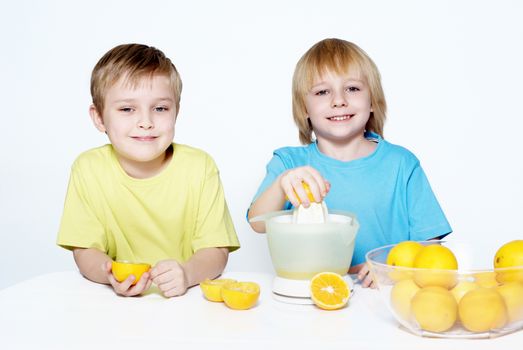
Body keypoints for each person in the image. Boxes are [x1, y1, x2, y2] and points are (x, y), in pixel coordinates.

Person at [247, 38, 451, 287]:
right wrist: (282, 184)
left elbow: (431, 246)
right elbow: (257, 223)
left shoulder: (402, 164)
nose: (338, 100)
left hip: (386, 298)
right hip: (316, 299)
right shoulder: (290, 163)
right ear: (304, 109)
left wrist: (394, 271)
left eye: (352, 89)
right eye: (322, 92)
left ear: (373, 100)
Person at [57, 44, 240, 297]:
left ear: (176, 111)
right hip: (115, 307)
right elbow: (85, 250)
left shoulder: (200, 167)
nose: (146, 122)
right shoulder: (88, 169)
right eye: (127, 109)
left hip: (186, 302)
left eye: (160, 108)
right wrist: (108, 273)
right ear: (99, 117)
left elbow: (216, 251)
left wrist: (187, 274)